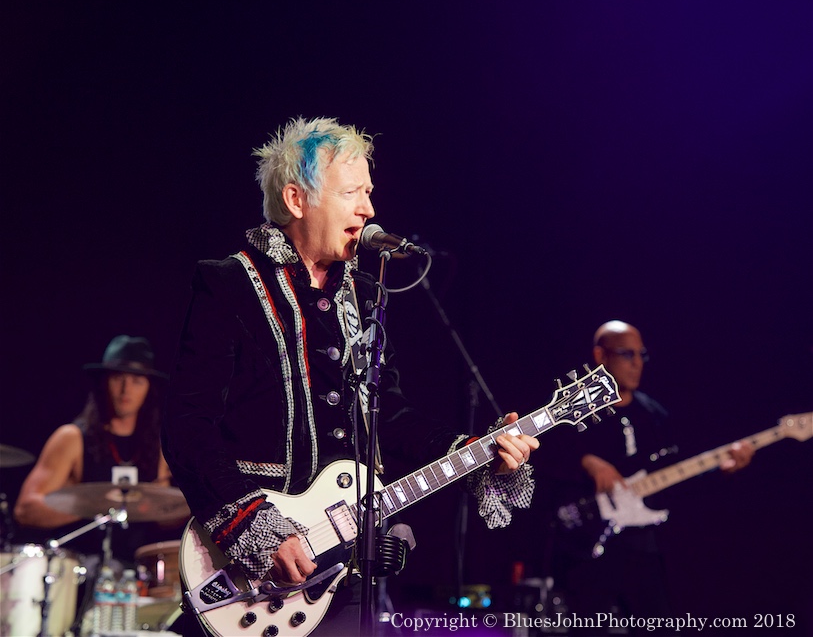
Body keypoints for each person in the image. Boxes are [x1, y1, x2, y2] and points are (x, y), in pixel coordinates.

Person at [162, 116, 539, 636]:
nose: (369, 209)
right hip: (253, 570)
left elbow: (393, 416)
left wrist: (474, 449)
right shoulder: (230, 284)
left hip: (345, 572)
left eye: (369, 192)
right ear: (296, 200)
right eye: (352, 193)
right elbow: (187, 425)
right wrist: (254, 527)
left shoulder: (361, 296)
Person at [538, 320, 753, 633]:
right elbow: (543, 457)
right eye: (627, 354)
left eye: (642, 355)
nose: (637, 363)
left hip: (643, 546)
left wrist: (721, 469)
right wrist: (588, 461)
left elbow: (675, 476)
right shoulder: (574, 409)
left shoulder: (654, 413)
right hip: (588, 544)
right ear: (600, 356)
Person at [14, 334, 181, 564]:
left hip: (138, 569)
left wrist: (190, 506)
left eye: (137, 380)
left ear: (148, 387)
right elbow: (25, 510)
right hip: (81, 566)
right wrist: (94, 504)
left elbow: (163, 515)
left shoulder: (158, 445)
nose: (126, 389)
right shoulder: (72, 437)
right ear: (103, 381)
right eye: (118, 378)